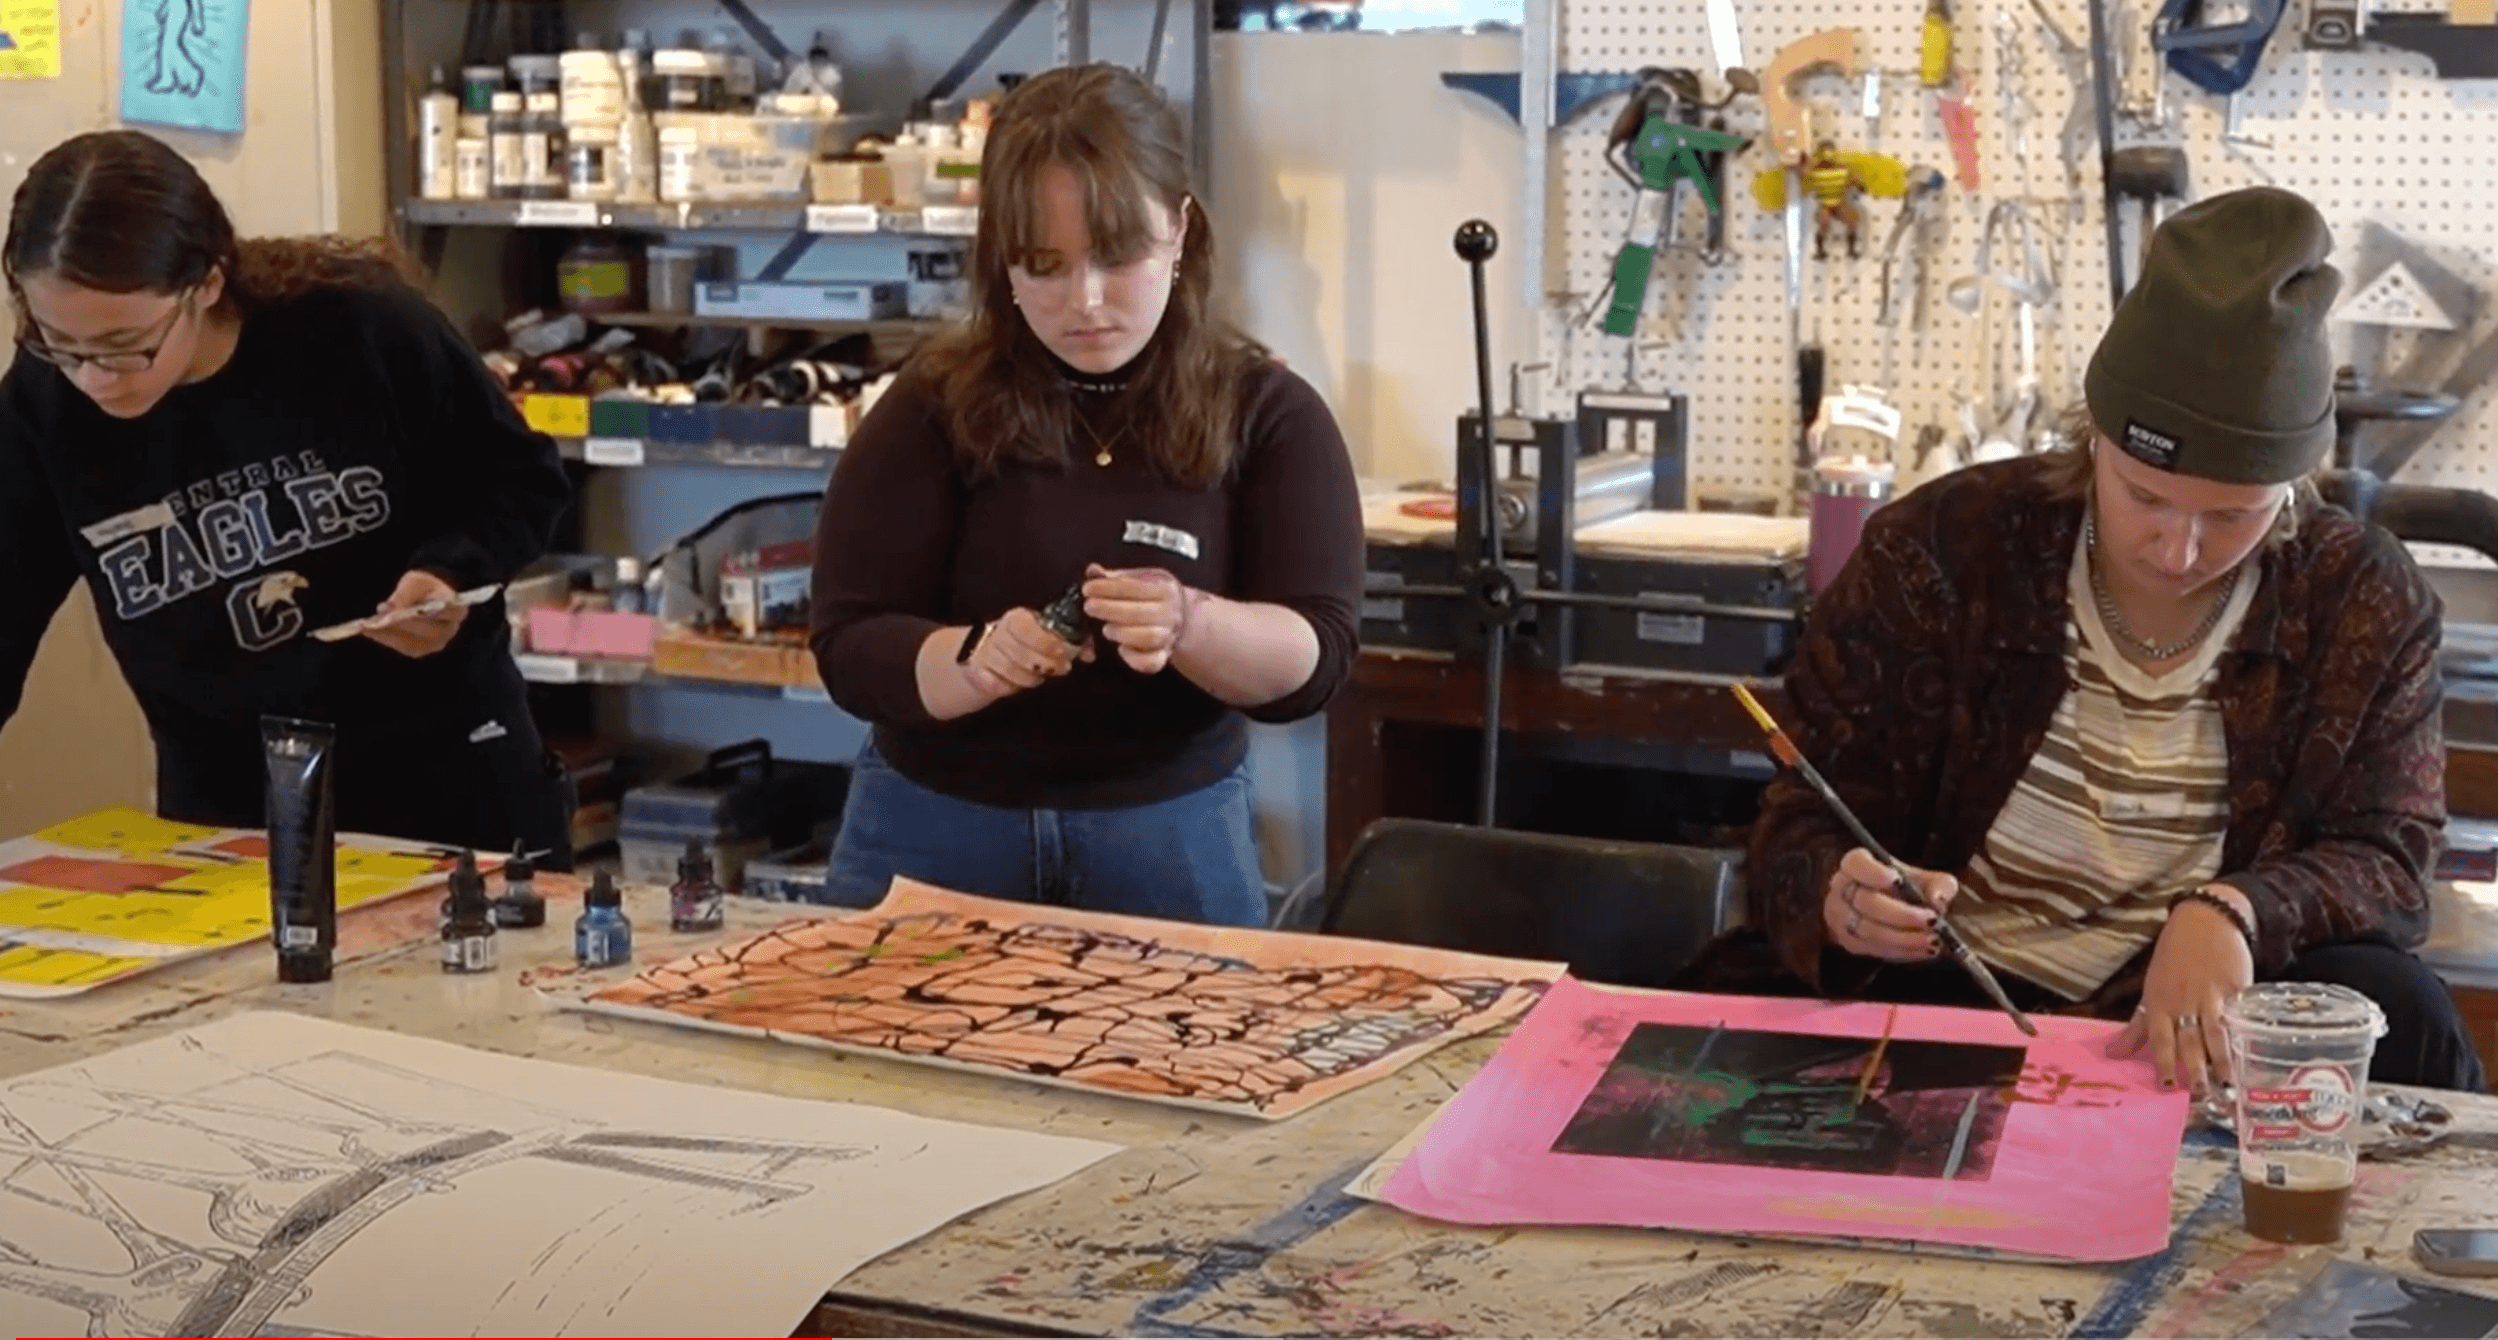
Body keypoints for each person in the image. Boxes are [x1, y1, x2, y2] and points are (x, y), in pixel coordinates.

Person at [1715, 186, 2485, 1093]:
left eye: (2232, 515)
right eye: (2144, 495)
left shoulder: (2359, 592)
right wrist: (1838, 897)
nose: (2178, 548)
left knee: (2402, 1010)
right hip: (1950, 993)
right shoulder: (1941, 550)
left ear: (2290, 488)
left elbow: (2391, 860)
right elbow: (1800, 817)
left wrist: (2235, 909)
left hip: (2193, 1018)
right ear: (2097, 441)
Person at [809, 63, 1363, 925]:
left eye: (1117, 256)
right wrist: (973, 662)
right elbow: (849, 642)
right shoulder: (931, 406)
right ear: (1004, 261)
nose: (1087, 302)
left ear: (1180, 231)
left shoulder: (1268, 414)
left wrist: (1192, 623)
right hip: (935, 837)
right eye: (1046, 265)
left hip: (1169, 843)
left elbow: (1315, 659)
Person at [0, 130, 576, 863]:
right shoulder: (42, 411)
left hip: (446, 782)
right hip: (230, 812)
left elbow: (518, 476)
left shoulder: (358, 326)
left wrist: (452, 573)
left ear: (205, 282)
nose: (95, 378)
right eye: (59, 343)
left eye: (125, 343)